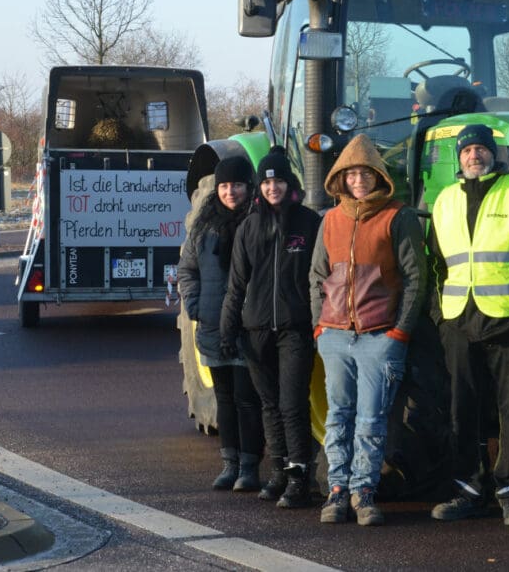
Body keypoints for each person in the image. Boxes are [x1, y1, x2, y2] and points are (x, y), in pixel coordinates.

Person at [427, 123, 509, 527]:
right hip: (458, 321)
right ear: (459, 156)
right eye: (467, 151)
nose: (473, 156)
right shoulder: (444, 200)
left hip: (506, 319)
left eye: (481, 149)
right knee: (461, 409)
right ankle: (468, 490)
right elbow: (434, 262)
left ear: (492, 154)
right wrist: (439, 315)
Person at [309, 134, 427, 526]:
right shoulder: (330, 220)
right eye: (352, 174)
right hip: (335, 335)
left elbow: (415, 278)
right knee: (339, 415)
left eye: (366, 173)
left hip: (380, 336)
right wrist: (319, 328)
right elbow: (316, 277)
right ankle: (337, 490)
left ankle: (364, 491)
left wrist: (400, 332)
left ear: (379, 176)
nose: (359, 180)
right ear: (341, 179)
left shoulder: (399, 217)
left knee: (372, 419)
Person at [220, 147, 320, 509]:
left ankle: (299, 478)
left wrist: (318, 321)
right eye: (266, 181)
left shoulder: (309, 223)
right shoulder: (249, 226)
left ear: (289, 182)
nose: (272, 187)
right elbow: (237, 284)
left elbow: (320, 278)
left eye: (278, 180)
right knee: (269, 406)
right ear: (259, 187)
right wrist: (228, 329)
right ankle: (277, 472)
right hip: (256, 329)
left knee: (292, 404)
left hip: (296, 328)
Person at [177, 156, 265, 492]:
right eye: (225, 186)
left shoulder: (257, 223)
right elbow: (187, 269)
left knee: (247, 398)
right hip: (213, 324)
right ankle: (229, 464)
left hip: (246, 326)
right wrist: (196, 304)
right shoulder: (205, 225)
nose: (230, 192)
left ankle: (249, 467)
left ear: (248, 187)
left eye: (237, 185)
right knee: (225, 398)